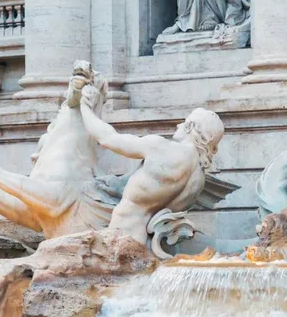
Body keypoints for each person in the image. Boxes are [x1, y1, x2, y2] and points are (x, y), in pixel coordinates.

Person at [78, 84, 225, 243]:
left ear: (191, 127)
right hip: (146, 243)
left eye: (184, 122)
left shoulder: (163, 148)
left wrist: (85, 106)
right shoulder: (198, 178)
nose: (178, 125)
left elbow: (107, 138)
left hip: (120, 237)